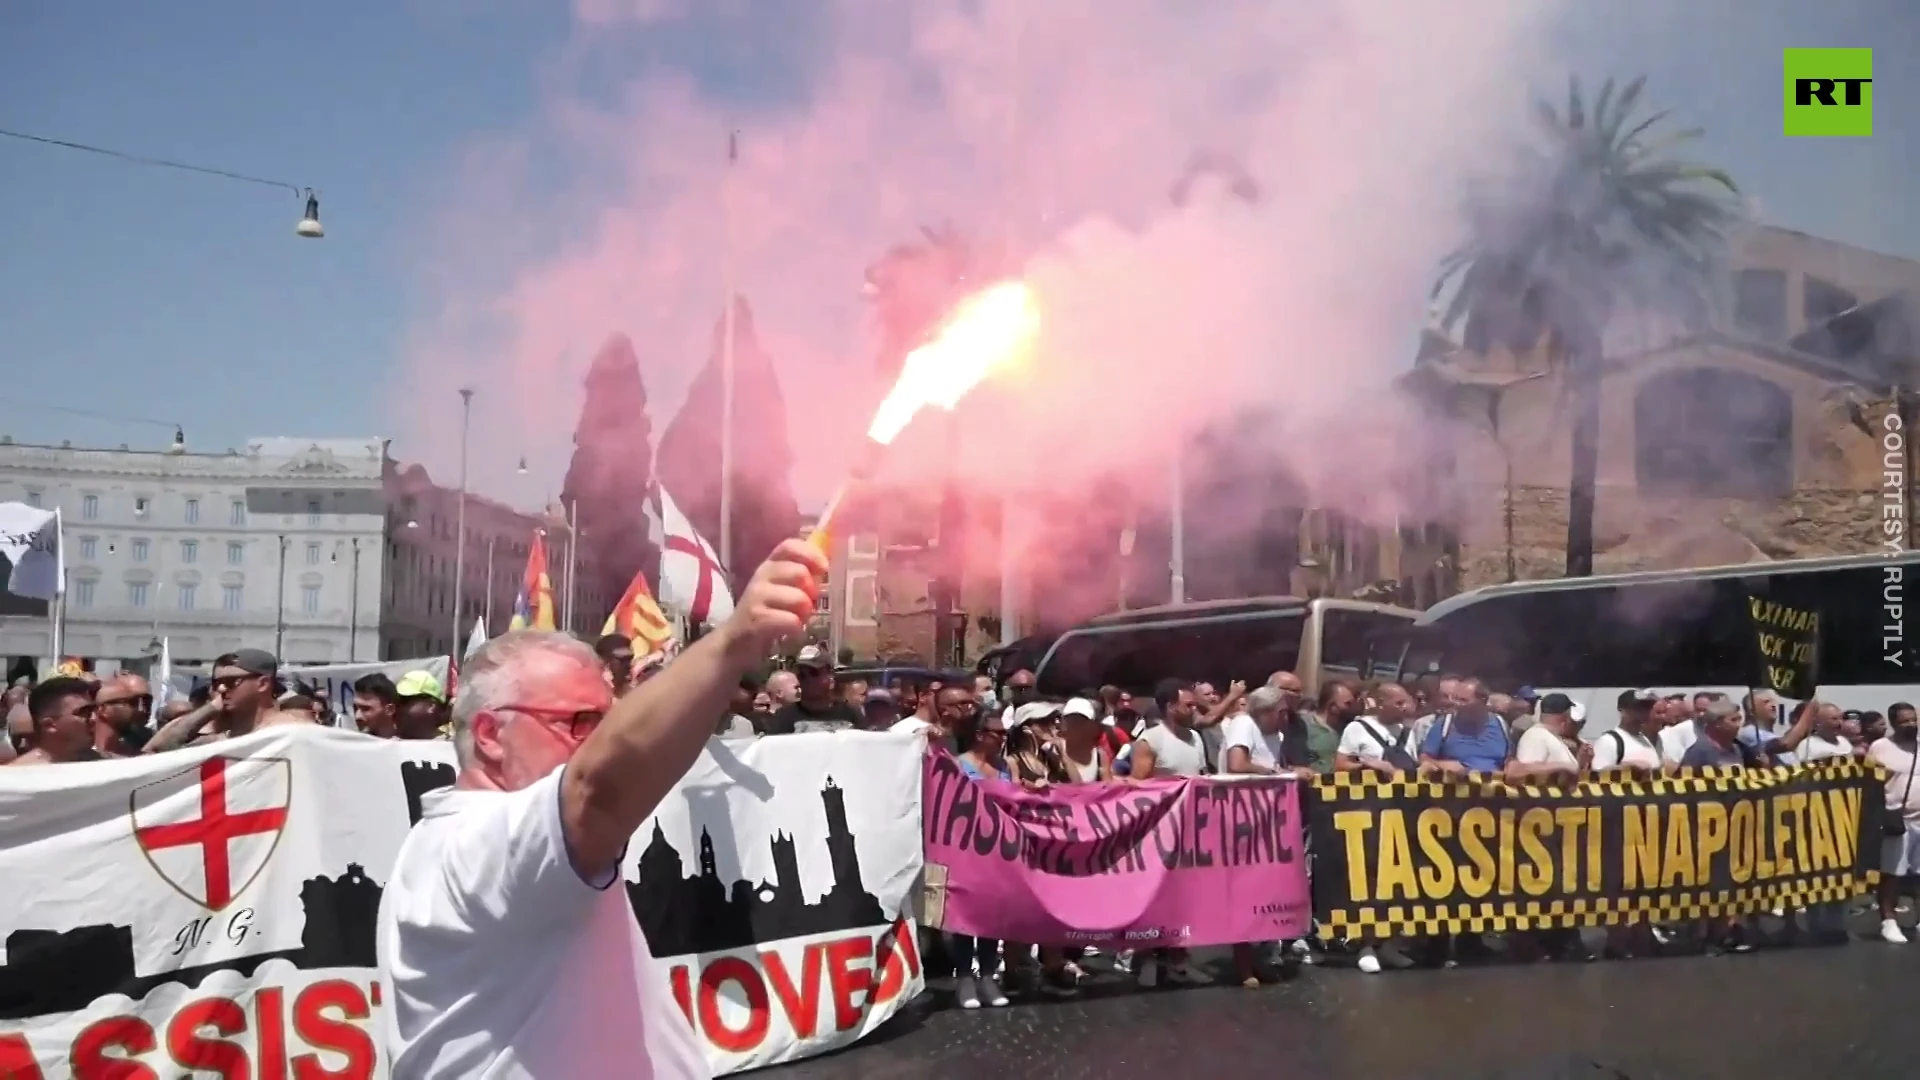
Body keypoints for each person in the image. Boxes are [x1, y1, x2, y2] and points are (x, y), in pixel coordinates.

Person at [377, 537, 826, 1078]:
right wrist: (735, 640)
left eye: (609, 719)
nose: (600, 741)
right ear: (492, 735)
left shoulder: (459, 841)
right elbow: (599, 787)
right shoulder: (476, 842)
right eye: (581, 724)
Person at [947, 704, 1013, 1009]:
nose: (1002, 737)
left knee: (993, 916)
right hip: (966, 848)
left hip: (999, 849)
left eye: (1004, 732)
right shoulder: (959, 765)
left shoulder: (1005, 766)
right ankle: (964, 978)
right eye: (996, 732)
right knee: (967, 916)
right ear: (978, 735)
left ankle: (987, 976)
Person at [1869, 702, 1920, 945]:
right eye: (1905, 721)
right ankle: (1888, 920)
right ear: (1893, 723)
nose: (1911, 725)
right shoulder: (1880, 747)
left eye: (1914, 719)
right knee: (1892, 873)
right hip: (1896, 819)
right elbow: (1869, 783)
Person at [764, 647, 861, 734]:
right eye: (802, 674)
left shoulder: (850, 715)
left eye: (813, 673)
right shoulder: (783, 718)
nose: (807, 679)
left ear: (829, 675)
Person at [6, 677, 99, 765]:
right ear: (50, 725)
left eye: (92, 710)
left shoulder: (105, 765)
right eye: (84, 713)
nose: (94, 719)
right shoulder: (17, 776)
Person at [92, 674, 153, 757]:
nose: (139, 710)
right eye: (131, 702)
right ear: (103, 710)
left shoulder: (135, 755)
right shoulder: (82, 756)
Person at [394, 671, 450, 740]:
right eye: (395, 699)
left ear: (431, 706)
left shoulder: (450, 747)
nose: (396, 706)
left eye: (404, 699)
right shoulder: (383, 744)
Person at [353, 673, 402, 739]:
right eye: (355, 708)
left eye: (366, 709)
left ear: (390, 709)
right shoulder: (352, 745)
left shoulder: (410, 745)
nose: (357, 716)